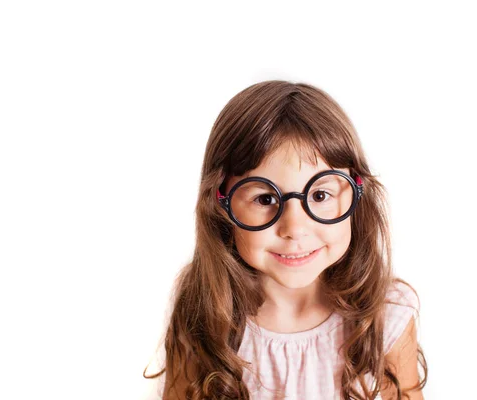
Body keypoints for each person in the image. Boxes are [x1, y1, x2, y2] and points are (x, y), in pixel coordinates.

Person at [143, 80, 428, 399]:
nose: (294, 227)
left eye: (320, 194)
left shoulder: (387, 313)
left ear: (356, 193)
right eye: (265, 199)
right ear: (219, 203)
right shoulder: (204, 311)